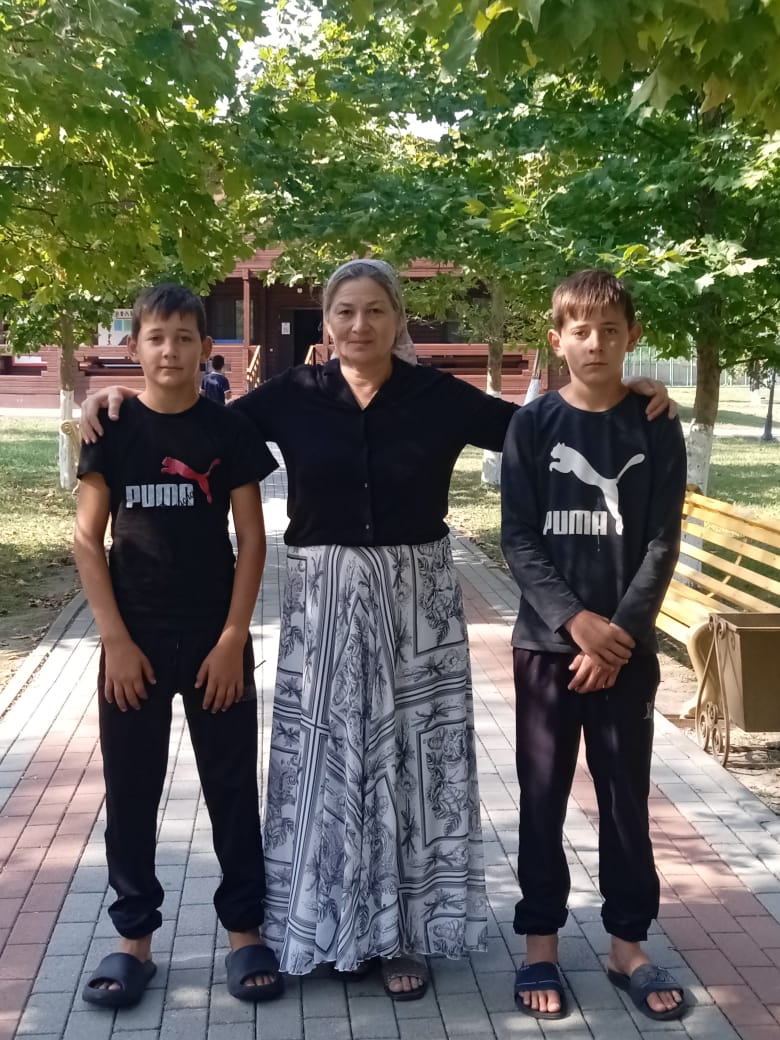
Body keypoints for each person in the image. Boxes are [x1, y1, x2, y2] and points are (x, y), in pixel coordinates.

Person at [79, 259, 672, 1002]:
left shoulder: (437, 396)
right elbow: (191, 416)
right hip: (323, 604)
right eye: (345, 312)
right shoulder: (292, 394)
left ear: (398, 320)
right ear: (327, 323)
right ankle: (330, 926)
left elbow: (538, 426)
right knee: (325, 766)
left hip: (417, 606)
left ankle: (404, 934)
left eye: (376, 311)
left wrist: (626, 393)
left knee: (411, 768)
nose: (360, 326)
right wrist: (112, 398)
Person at [74, 284, 283, 1008]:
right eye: (156, 337)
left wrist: (232, 638)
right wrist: (113, 638)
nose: (170, 350)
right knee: (132, 791)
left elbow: (253, 540)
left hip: (212, 640)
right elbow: (87, 538)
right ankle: (133, 939)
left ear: (205, 348)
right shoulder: (112, 429)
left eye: (184, 338)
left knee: (232, 788)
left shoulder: (228, 431)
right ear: (135, 346)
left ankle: (245, 932)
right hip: (131, 641)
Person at [500, 269, 687, 1023]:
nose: (597, 342)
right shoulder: (534, 425)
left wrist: (619, 636)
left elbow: (662, 541)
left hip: (626, 655)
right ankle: (540, 943)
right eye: (581, 330)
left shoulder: (655, 424)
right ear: (557, 340)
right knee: (542, 797)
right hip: (548, 650)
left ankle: (627, 944)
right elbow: (518, 537)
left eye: (611, 330)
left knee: (624, 799)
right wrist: (576, 623)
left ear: (632, 337)